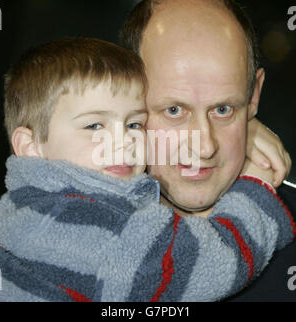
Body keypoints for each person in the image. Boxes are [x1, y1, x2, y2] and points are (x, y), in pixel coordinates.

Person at [0, 37, 294, 302]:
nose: (123, 142)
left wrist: (237, 129)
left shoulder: (24, 206)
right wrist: (256, 187)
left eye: (134, 124)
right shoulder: (78, 220)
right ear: (30, 145)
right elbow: (215, 263)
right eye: (94, 125)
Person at [120, 0, 296, 301]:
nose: (204, 146)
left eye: (223, 109)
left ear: (253, 95)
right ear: (124, 96)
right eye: (174, 110)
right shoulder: (65, 232)